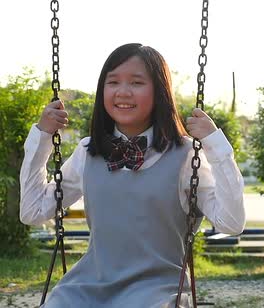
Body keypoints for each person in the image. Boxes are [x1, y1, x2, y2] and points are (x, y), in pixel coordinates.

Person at [20, 43, 246, 308]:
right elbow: (33, 211)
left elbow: (231, 223)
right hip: (86, 286)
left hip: (156, 290)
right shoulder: (88, 152)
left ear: (159, 92)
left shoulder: (185, 156)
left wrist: (215, 145)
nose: (123, 92)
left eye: (137, 83)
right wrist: (42, 136)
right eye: (112, 82)